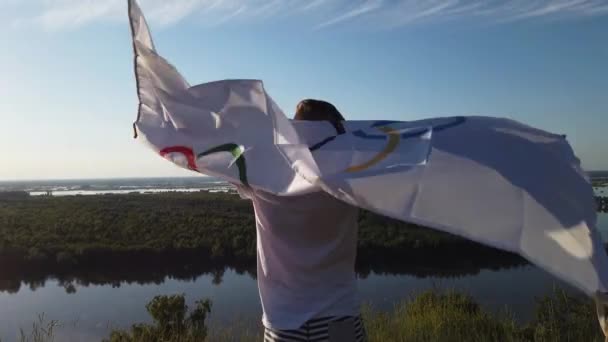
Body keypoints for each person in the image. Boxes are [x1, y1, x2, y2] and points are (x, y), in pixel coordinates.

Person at [237, 99, 365, 342]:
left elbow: (214, 153)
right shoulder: (353, 173)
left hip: (284, 325)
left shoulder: (261, 171)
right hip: (341, 320)